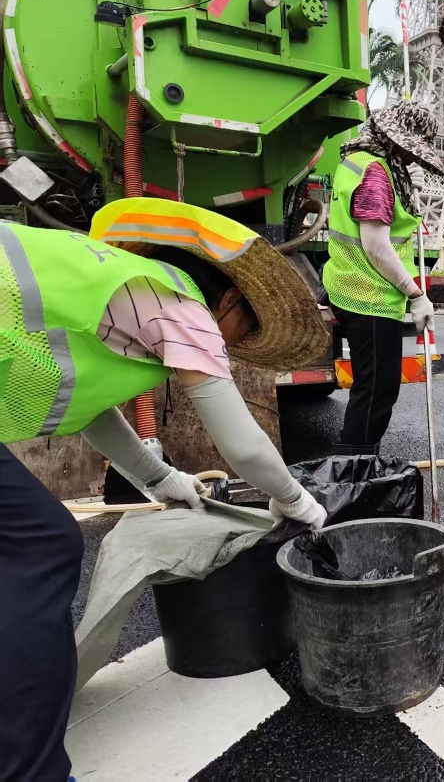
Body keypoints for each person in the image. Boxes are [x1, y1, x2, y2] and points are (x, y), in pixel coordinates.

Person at [0, 198, 331, 782]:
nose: (232, 346)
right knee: (41, 547)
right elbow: (244, 447)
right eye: (243, 331)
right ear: (228, 301)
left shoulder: (126, 286)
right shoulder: (183, 306)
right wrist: (297, 500)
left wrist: (160, 479)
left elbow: (90, 407)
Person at [324, 101, 444, 455]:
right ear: (393, 140)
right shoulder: (376, 172)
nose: (410, 158)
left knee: (375, 387)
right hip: (369, 294)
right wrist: (416, 294)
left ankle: (358, 461)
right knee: (376, 389)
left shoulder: (361, 162)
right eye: (409, 150)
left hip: (357, 287)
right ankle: (353, 466)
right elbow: (376, 246)